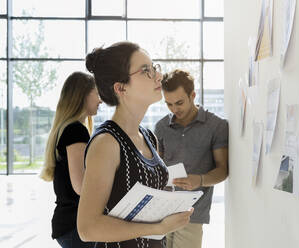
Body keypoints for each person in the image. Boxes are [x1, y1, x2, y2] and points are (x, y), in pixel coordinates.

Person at [77, 41, 193, 248]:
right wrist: (158, 228)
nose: (158, 76)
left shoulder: (149, 136)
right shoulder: (106, 143)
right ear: (121, 88)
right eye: (145, 71)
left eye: (154, 67)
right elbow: (87, 228)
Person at [154, 69, 229, 248]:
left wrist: (200, 180)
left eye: (179, 102)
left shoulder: (216, 126)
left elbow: (223, 170)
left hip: (192, 214)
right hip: (162, 210)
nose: (174, 109)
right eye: (169, 104)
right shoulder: (161, 127)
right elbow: (157, 167)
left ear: (193, 95)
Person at [40, 71, 102, 248]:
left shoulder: (68, 128)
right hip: (75, 225)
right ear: (83, 95)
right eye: (97, 93)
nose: (101, 100)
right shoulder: (76, 130)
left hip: (69, 224)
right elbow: (81, 186)